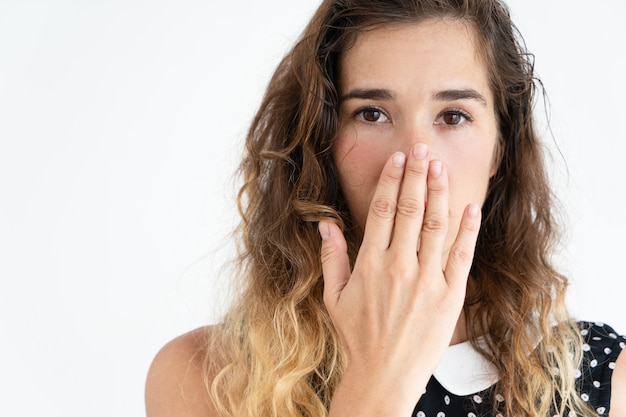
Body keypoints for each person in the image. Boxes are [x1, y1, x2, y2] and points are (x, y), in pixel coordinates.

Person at [145, 0, 626, 416]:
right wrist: (381, 378)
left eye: (453, 116)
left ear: (501, 150)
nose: (416, 157)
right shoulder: (207, 376)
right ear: (323, 142)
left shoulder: (608, 383)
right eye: (371, 114)